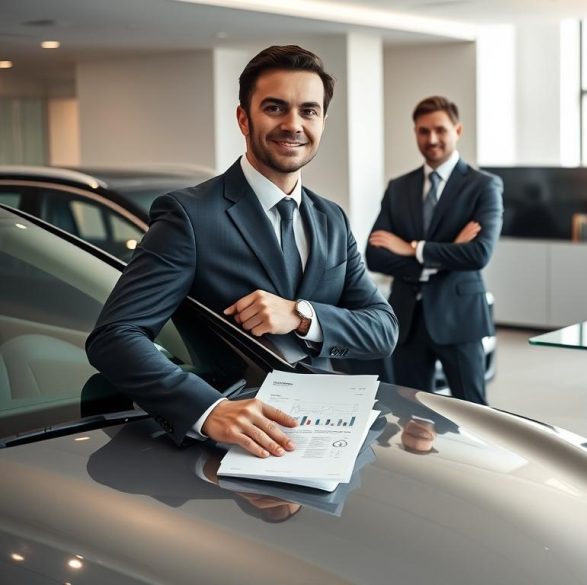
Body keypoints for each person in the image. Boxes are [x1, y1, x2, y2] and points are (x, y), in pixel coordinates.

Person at [87, 45, 398, 459]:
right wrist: (207, 409)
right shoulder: (189, 215)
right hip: (230, 443)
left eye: (308, 111)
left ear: (323, 121)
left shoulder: (332, 219)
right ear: (243, 118)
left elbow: (382, 330)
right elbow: (115, 336)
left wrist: (302, 316)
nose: (293, 124)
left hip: (324, 435)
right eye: (275, 108)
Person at [366, 96, 503, 406]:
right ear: (415, 132)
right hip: (407, 319)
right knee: (410, 412)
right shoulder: (399, 187)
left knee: (474, 412)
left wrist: (412, 248)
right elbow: (374, 255)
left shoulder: (484, 186)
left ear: (457, 130)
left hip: (459, 317)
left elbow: (479, 254)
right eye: (423, 131)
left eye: (440, 130)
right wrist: (449, 250)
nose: (432, 139)